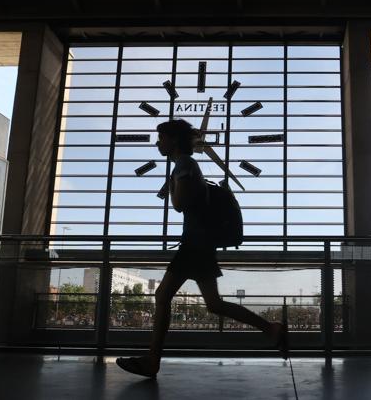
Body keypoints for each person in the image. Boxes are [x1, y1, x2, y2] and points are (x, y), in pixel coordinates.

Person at [116, 119, 288, 378]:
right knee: (213, 303)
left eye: (161, 137)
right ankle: (270, 328)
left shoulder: (184, 164)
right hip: (200, 243)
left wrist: (173, 187)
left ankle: (152, 361)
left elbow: (181, 204)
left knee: (163, 297)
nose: (157, 142)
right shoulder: (187, 165)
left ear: (173, 140)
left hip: (194, 244)